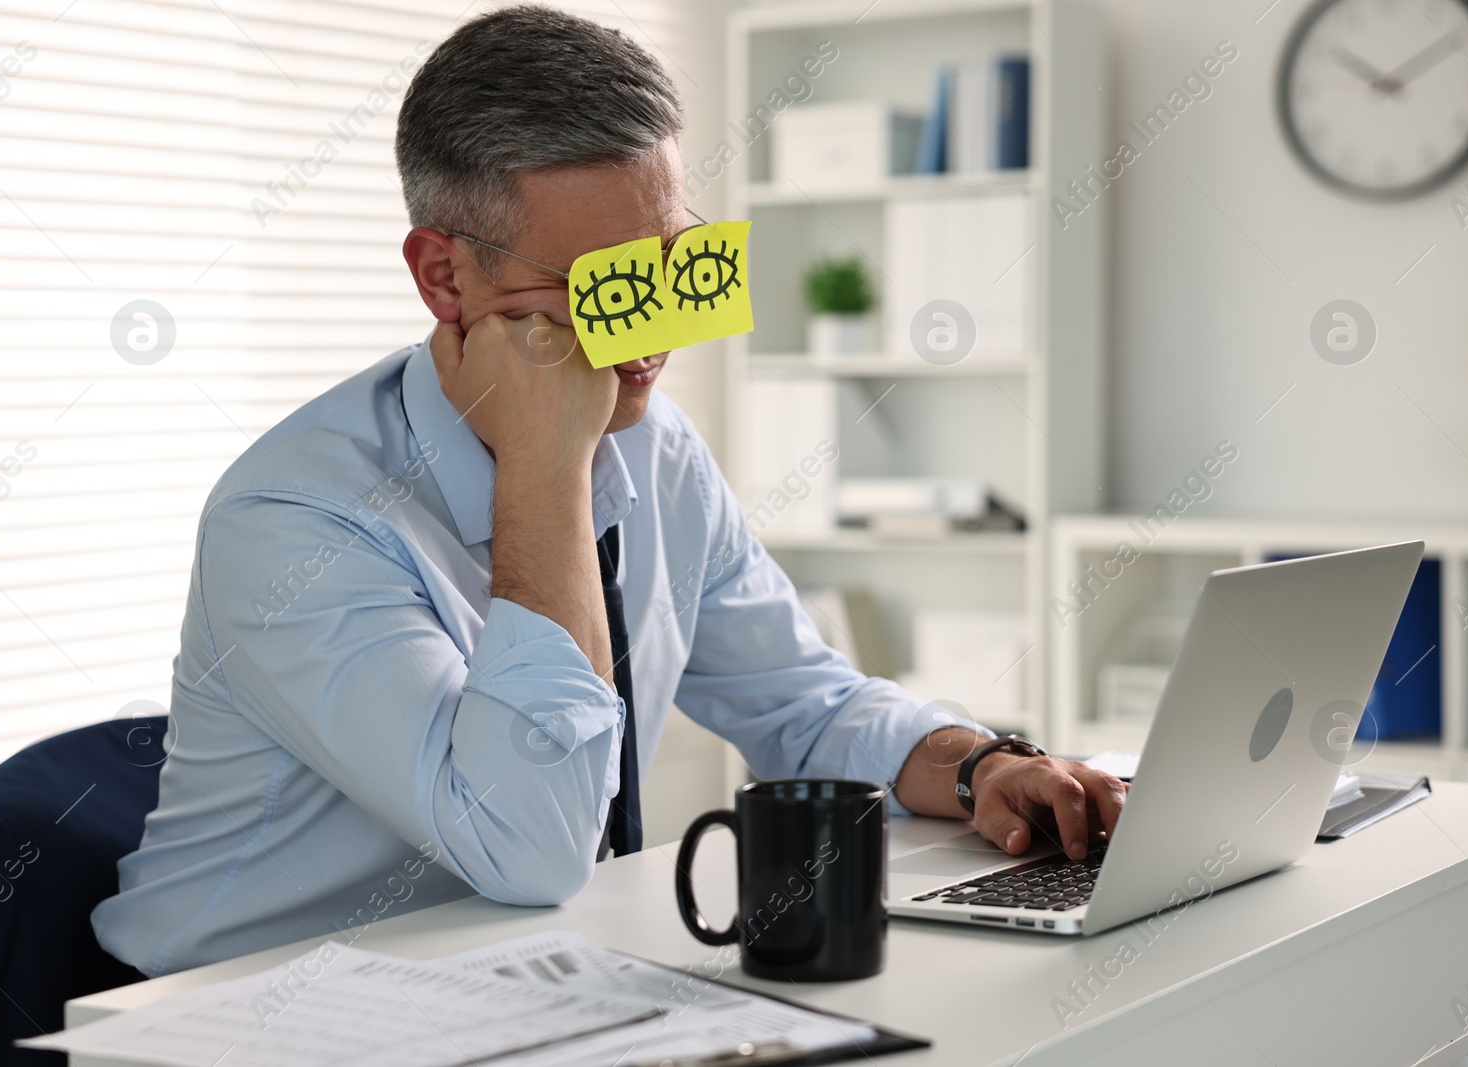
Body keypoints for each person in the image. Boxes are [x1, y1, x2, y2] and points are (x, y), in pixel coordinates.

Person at [91, 5, 1126, 978]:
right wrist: (546, 467)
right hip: (235, 1013)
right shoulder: (290, 525)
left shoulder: (658, 450)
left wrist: (977, 763)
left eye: (678, 263)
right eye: (607, 288)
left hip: (508, 978)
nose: (660, 332)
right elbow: (530, 841)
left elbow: (801, 704)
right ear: (445, 281)